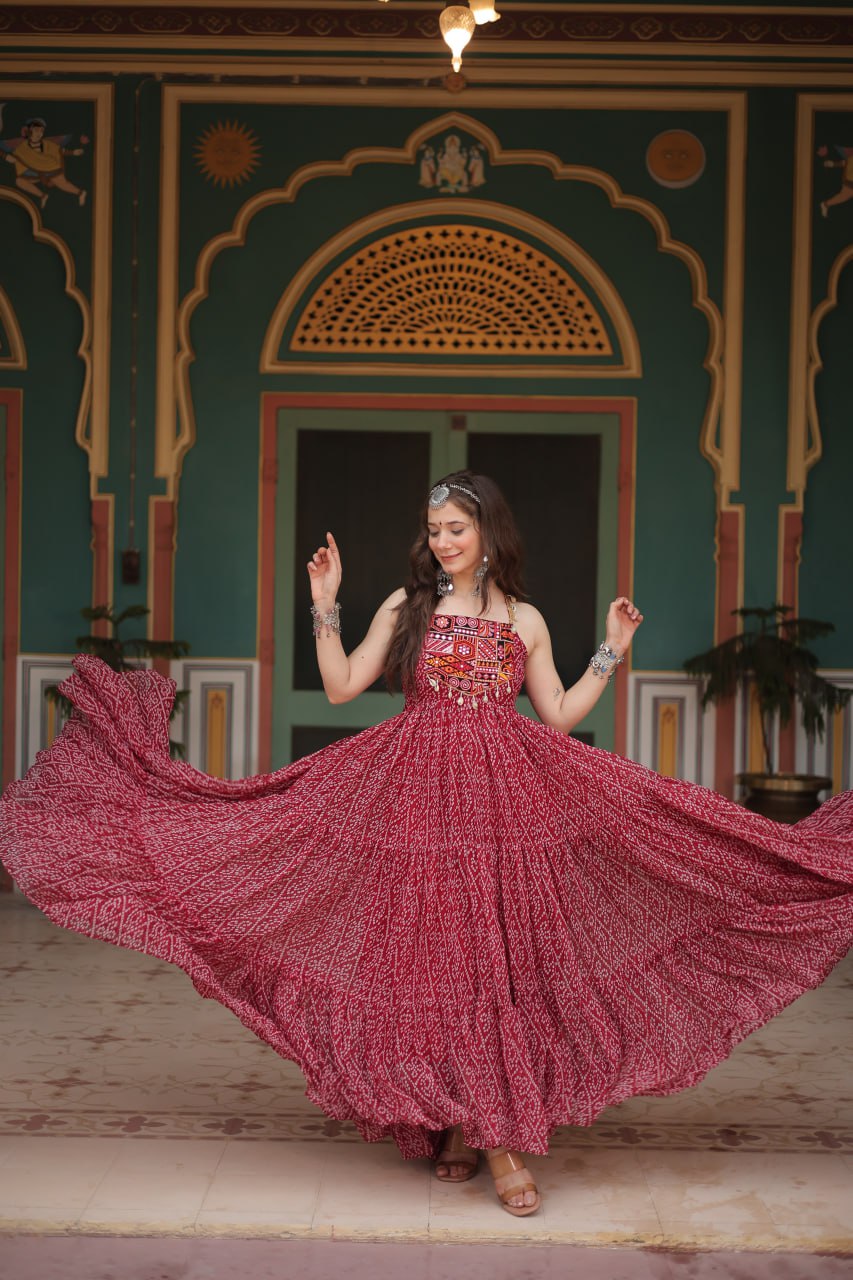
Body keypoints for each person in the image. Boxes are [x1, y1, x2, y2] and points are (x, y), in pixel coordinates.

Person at [1, 471, 851, 1219]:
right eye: (433, 529)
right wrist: (324, 600)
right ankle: (463, 1119)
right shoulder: (408, 607)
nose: (440, 542)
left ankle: (496, 1133)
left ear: (488, 532)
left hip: (506, 806)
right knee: (434, 960)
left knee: (495, 962)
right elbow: (339, 688)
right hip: (411, 804)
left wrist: (611, 650)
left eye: (455, 527)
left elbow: (556, 714)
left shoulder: (525, 618)